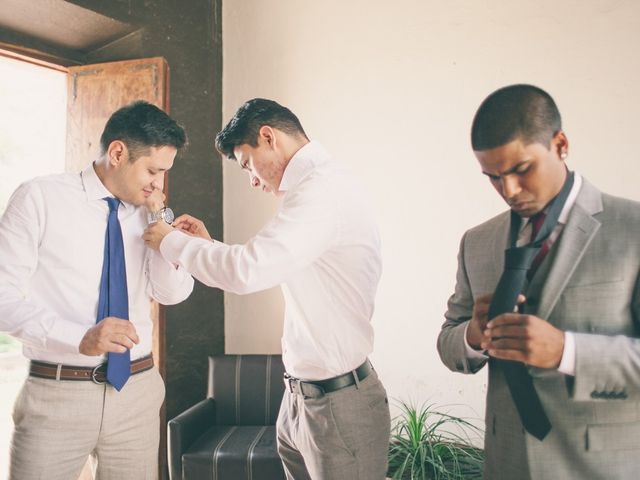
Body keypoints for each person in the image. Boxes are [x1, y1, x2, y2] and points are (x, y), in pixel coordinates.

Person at [144, 98, 390, 479]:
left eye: (247, 164)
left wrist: (168, 241)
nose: (253, 180)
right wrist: (207, 247)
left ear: (268, 137)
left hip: (337, 405)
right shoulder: (312, 192)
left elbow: (248, 271)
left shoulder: (322, 192)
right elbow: (266, 265)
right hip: (299, 400)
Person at [437, 84, 640, 479]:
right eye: (493, 177)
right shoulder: (477, 243)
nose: (509, 190)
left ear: (560, 145)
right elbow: (449, 340)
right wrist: (474, 336)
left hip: (601, 466)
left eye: (521, 169)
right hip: (506, 461)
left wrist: (567, 351)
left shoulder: (634, 230)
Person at [0, 100, 194, 480]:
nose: (159, 184)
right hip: (57, 394)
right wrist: (80, 338)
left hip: (137, 393)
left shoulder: (152, 212)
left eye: (165, 173)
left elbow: (172, 294)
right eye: (153, 170)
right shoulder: (39, 198)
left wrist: (163, 226)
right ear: (118, 153)